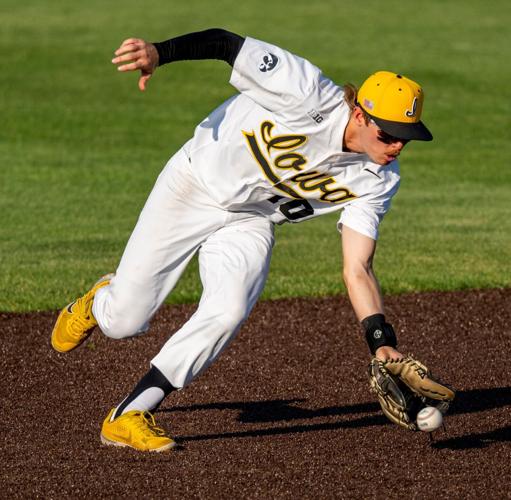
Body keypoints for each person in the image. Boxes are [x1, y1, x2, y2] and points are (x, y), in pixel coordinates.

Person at [51, 28, 434, 452]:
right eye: (388, 133)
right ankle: (100, 299)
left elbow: (357, 266)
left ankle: (130, 413)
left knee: (229, 308)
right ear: (360, 115)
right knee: (123, 321)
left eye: (407, 136)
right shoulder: (306, 92)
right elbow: (225, 44)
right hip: (193, 185)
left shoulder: (378, 179)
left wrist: (381, 343)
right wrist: (159, 53)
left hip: (250, 221)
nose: (398, 145)